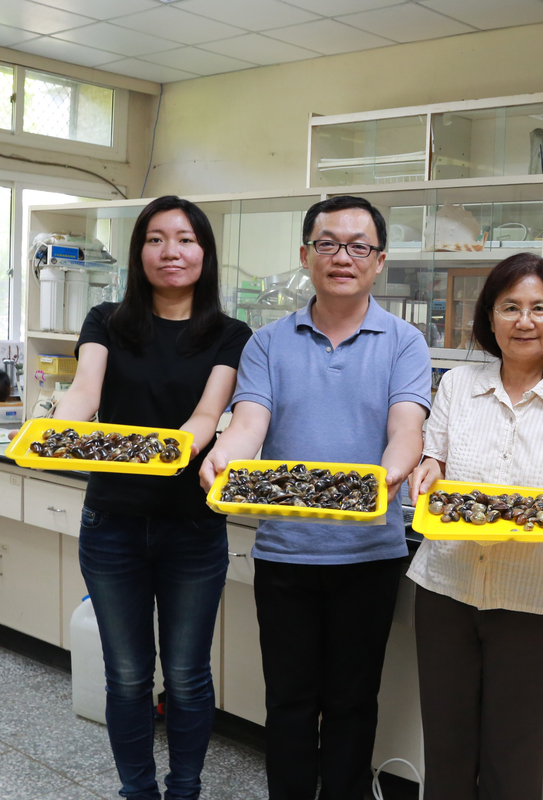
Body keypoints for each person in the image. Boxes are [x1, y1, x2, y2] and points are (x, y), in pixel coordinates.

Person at [199, 195, 430, 800]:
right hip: (286, 551)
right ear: (306, 255)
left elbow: (407, 427)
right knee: (290, 704)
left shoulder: (404, 342)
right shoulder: (268, 343)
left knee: (354, 703)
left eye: (358, 246)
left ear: (379, 261)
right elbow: (249, 420)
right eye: (328, 244)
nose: (342, 257)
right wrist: (228, 455)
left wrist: (385, 475)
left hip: (370, 555)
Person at [53, 195, 252, 800]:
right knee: (129, 676)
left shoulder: (229, 333)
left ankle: (184, 790)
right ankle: (136, 791)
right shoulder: (106, 319)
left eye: (186, 239)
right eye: (157, 239)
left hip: (191, 528)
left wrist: (164, 452)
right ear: (139, 251)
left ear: (205, 253)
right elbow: (85, 391)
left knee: (188, 677)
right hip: (111, 522)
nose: (172, 252)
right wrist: (58, 433)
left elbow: (206, 416)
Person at [406, 253, 543, 800]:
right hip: (447, 591)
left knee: (516, 763)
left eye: (538, 308)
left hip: (538, 601)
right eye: (510, 308)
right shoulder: (456, 385)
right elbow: (438, 465)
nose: (524, 321)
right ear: (490, 317)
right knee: (447, 754)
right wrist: (428, 470)